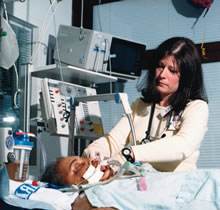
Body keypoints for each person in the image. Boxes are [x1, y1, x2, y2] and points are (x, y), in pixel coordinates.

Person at [83, 37, 209, 172]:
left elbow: (183, 146)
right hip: (139, 185)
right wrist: (96, 148)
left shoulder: (196, 107)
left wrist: (130, 153)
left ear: (186, 77)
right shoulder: (140, 106)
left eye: (172, 71)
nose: (162, 75)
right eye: (160, 66)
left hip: (175, 186)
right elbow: (114, 140)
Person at [40, 156, 220, 210]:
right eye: (77, 166)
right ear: (70, 187)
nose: (90, 161)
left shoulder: (121, 177)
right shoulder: (87, 200)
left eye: (85, 158)